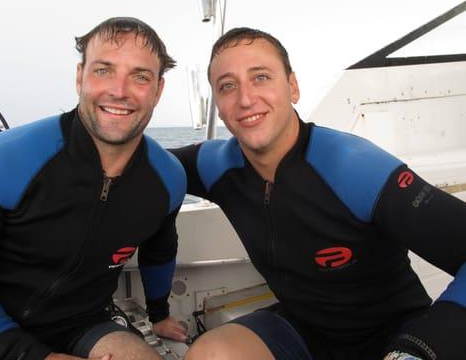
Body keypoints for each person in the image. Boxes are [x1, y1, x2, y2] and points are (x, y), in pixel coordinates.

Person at [171, 28, 466, 360]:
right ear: (219, 107)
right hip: (304, 331)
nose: (245, 98)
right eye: (228, 86)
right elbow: (142, 166)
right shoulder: (217, 166)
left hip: (393, 335)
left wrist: (425, 346)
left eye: (261, 77)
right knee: (208, 354)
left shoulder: (353, 167)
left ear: (293, 88)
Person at [0, 17, 188, 360]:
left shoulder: (167, 178)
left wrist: (158, 315)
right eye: (104, 70)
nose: (120, 90)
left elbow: (160, 251)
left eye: (140, 76)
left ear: (158, 90)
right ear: (80, 76)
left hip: (84, 323)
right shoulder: (8, 157)